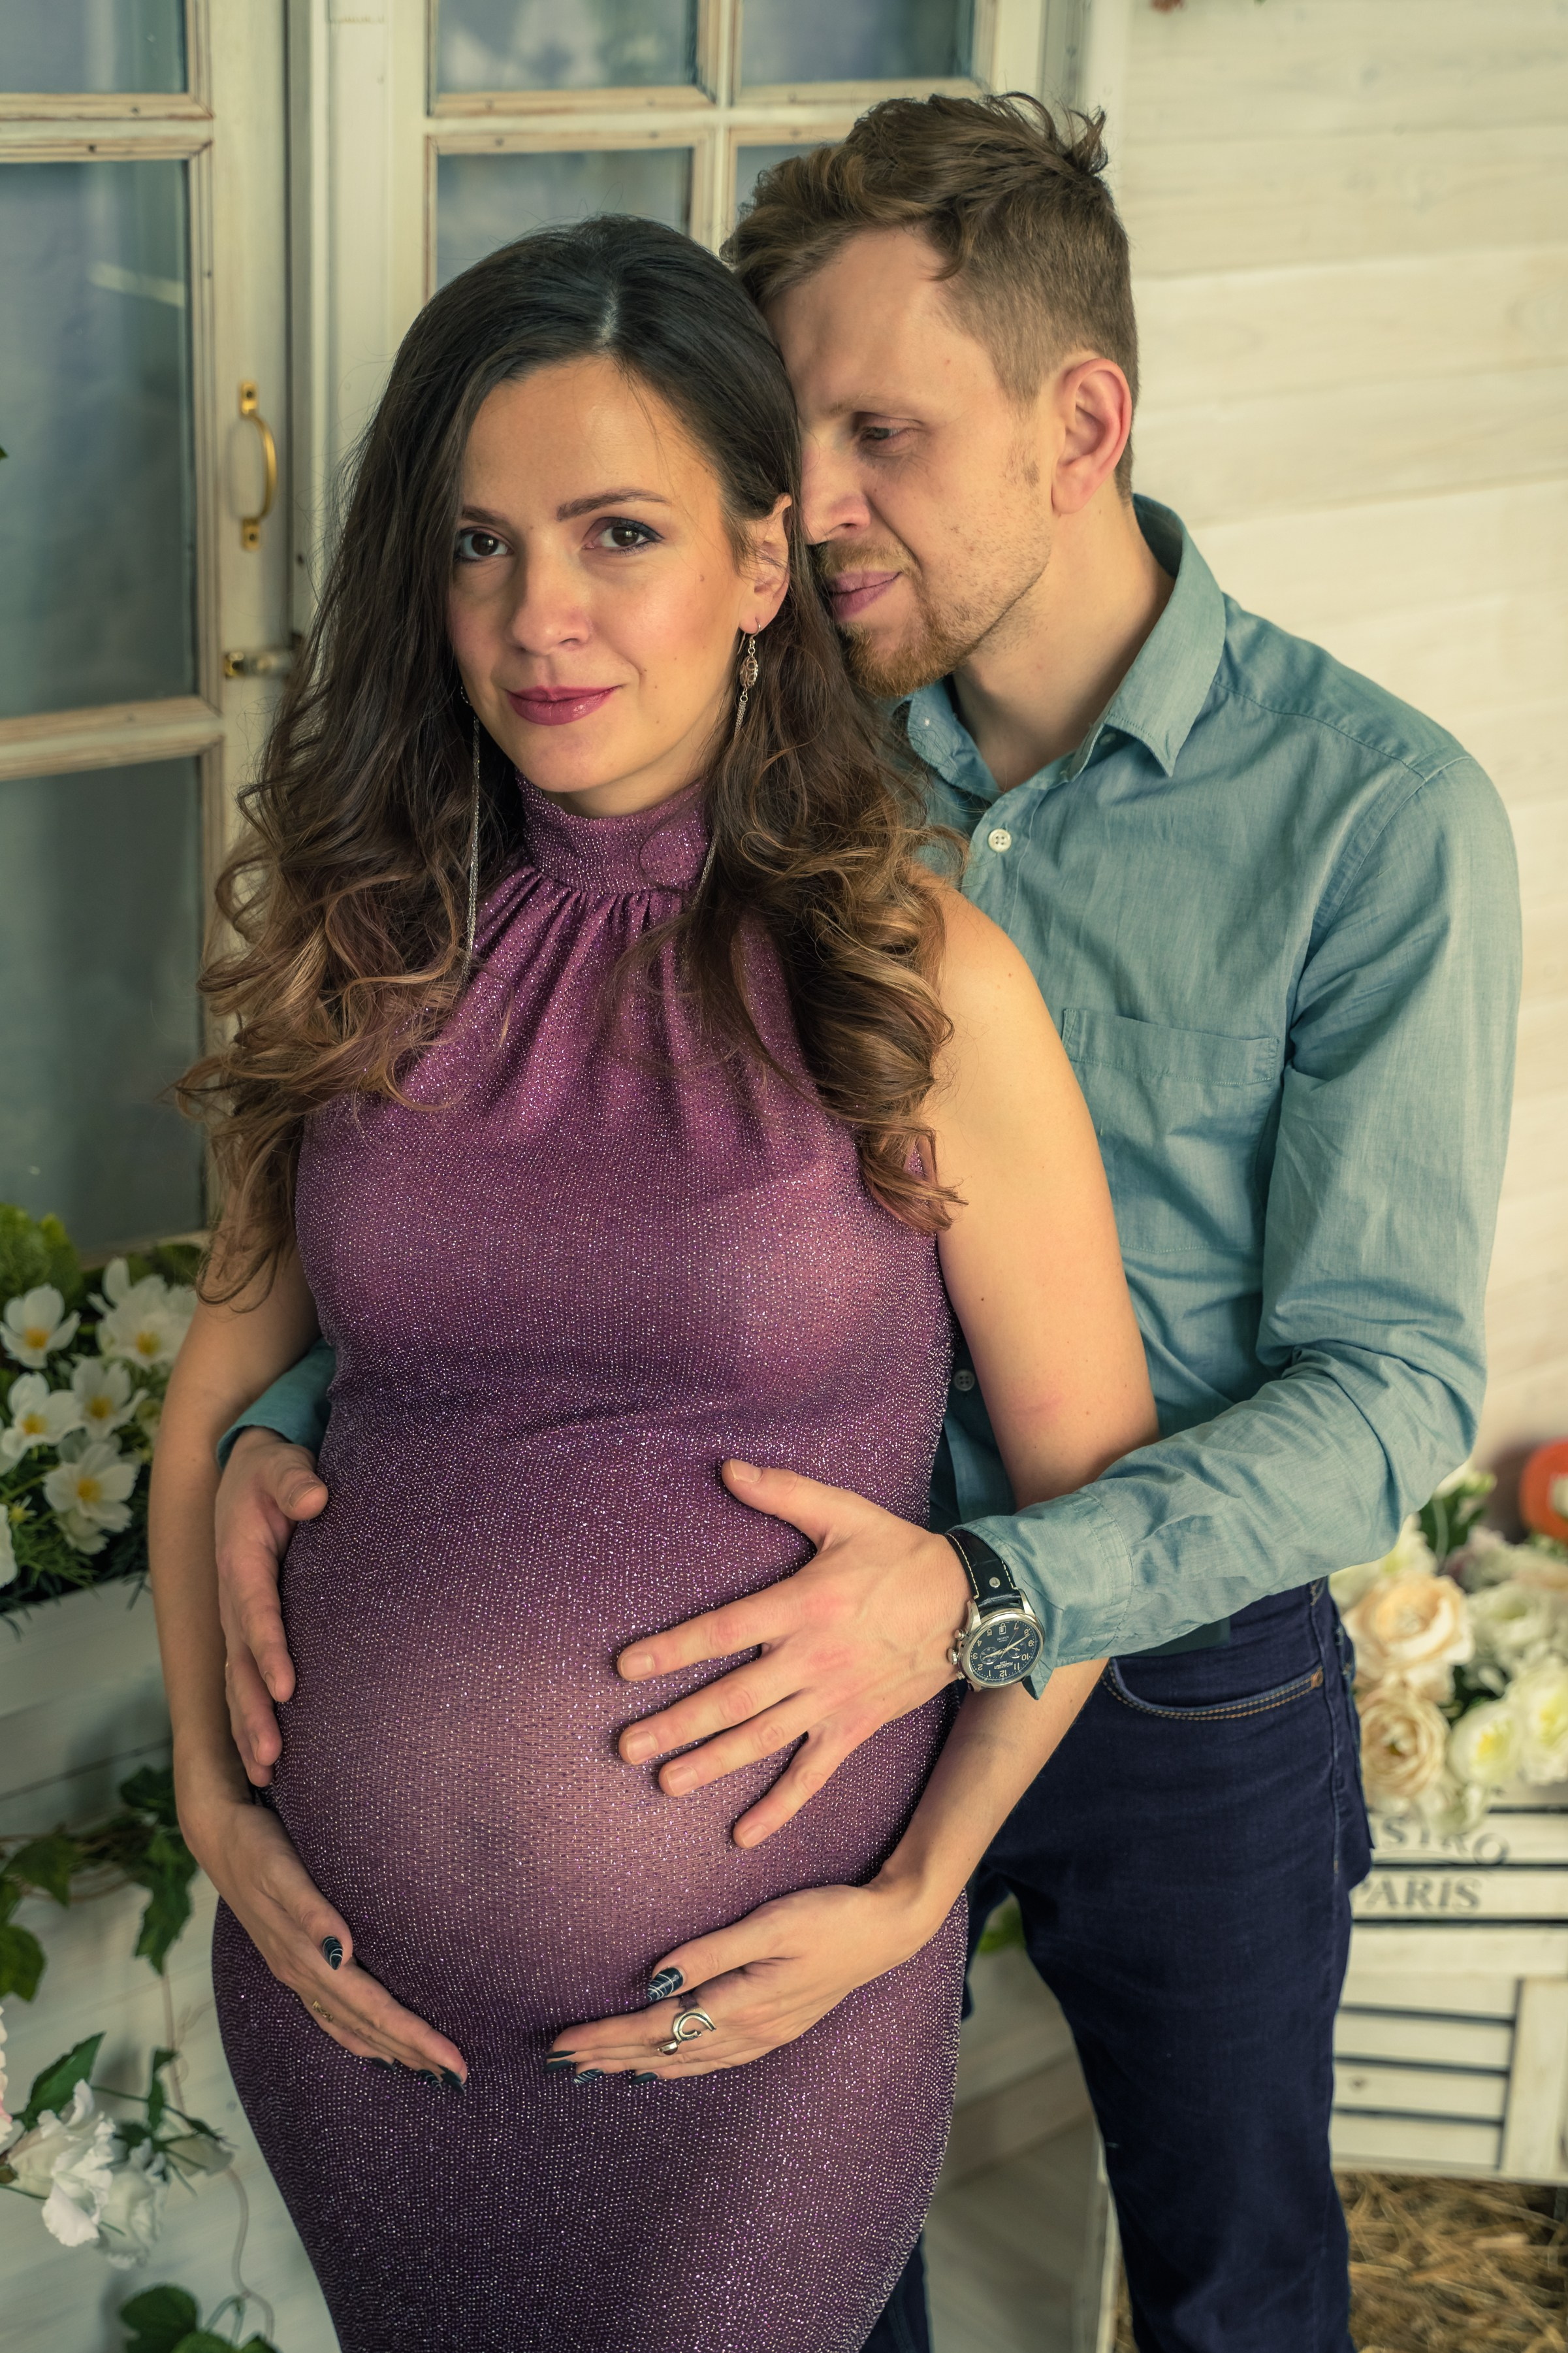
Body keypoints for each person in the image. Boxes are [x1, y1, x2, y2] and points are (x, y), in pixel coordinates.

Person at [208, 100, 1522, 2353]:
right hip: (755, 1666)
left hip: (1163, 1651)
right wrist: (300, 1421)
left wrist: (982, 1597)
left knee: (1230, 2279)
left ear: (1078, 422)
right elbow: (593, 1188)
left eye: (876, 429)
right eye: (784, 432)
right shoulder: (782, 752)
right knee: (835, 2272)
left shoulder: (1370, 816)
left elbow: (1392, 1382)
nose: (812, 502)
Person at [149, 215, 1155, 2353]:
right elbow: (214, 1391)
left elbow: (1094, 1494)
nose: (541, 618)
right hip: (362, 2020)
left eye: (619, 532)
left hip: (758, 2038)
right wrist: (214, 1800)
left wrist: (910, 1896)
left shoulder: (914, 977)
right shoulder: (366, 946)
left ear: (765, 564)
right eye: (482, 547)